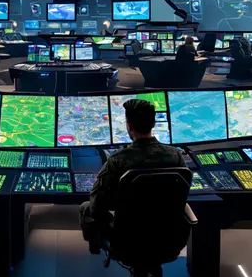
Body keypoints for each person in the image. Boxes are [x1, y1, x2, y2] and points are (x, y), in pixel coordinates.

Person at [80, 99, 186, 258]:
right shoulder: (175, 155)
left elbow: (96, 207)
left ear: (128, 125)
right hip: (167, 237)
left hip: (126, 239)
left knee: (86, 207)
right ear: (154, 124)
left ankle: (96, 245)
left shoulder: (117, 160)